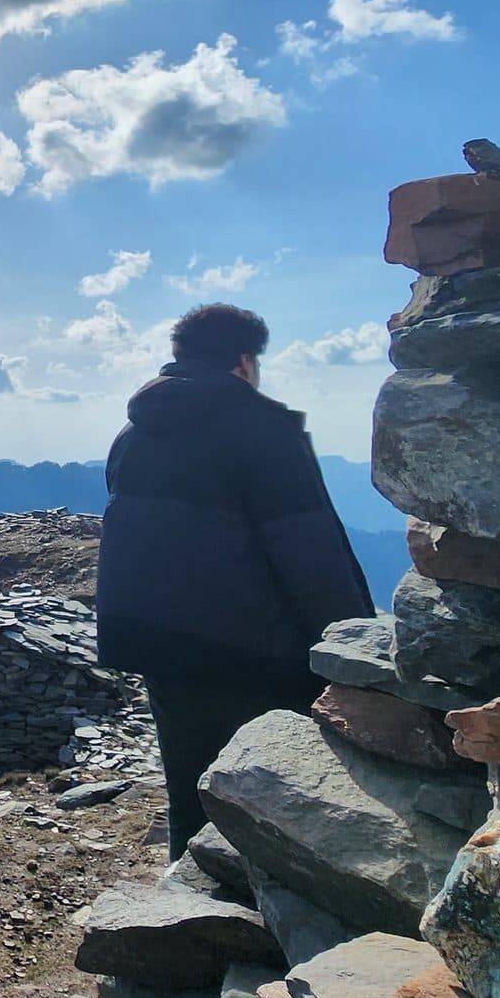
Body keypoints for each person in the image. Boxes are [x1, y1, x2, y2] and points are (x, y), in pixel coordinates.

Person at [95, 303, 376, 859]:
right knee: (273, 789)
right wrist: (351, 647)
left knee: (189, 783)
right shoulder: (264, 430)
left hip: (157, 642)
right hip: (254, 650)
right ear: (245, 361)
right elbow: (308, 550)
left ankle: (188, 909)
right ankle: (267, 919)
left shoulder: (134, 431)